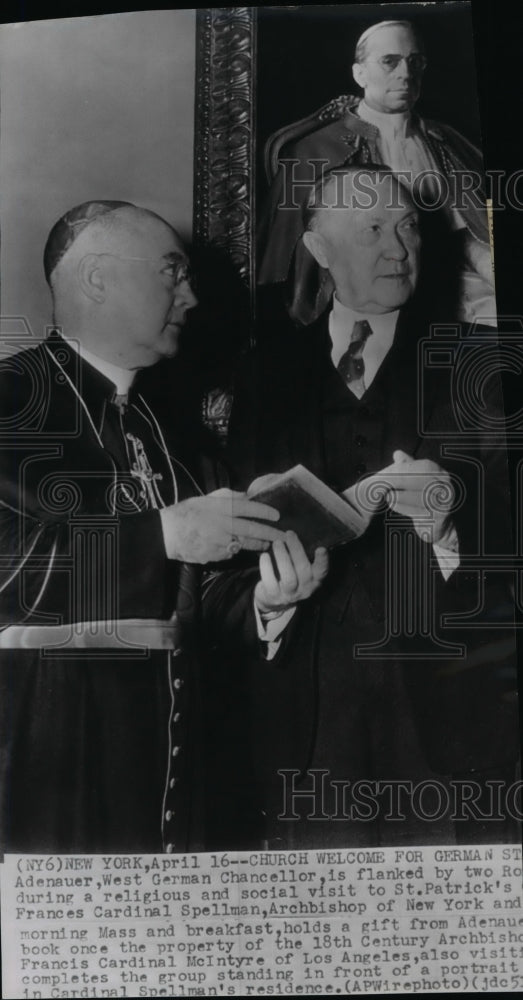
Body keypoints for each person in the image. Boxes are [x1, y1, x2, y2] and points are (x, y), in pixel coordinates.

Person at [0, 199, 328, 854]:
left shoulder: (173, 429)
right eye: (172, 273)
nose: (192, 295)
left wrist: (265, 597)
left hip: (177, 755)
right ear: (97, 278)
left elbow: (194, 602)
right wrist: (164, 536)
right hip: (48, 746)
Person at [227, 167, 519, 849]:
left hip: (450, 722)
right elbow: (234, 549)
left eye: (407, 227)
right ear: (318, 248)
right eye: (371, 230)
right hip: (306, 718)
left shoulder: (482, 366)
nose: (398, 248)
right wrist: (269, 600)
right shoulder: (264, 373)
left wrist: (449, 527)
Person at [258, 19, 495, 326]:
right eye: (389, 62)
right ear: (360, 74)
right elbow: (291, 272)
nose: (406, 74)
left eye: (415, 62)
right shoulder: (312, 152)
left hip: (460, 284)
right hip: (373, 296)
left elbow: (466, 231)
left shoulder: (447, 140)